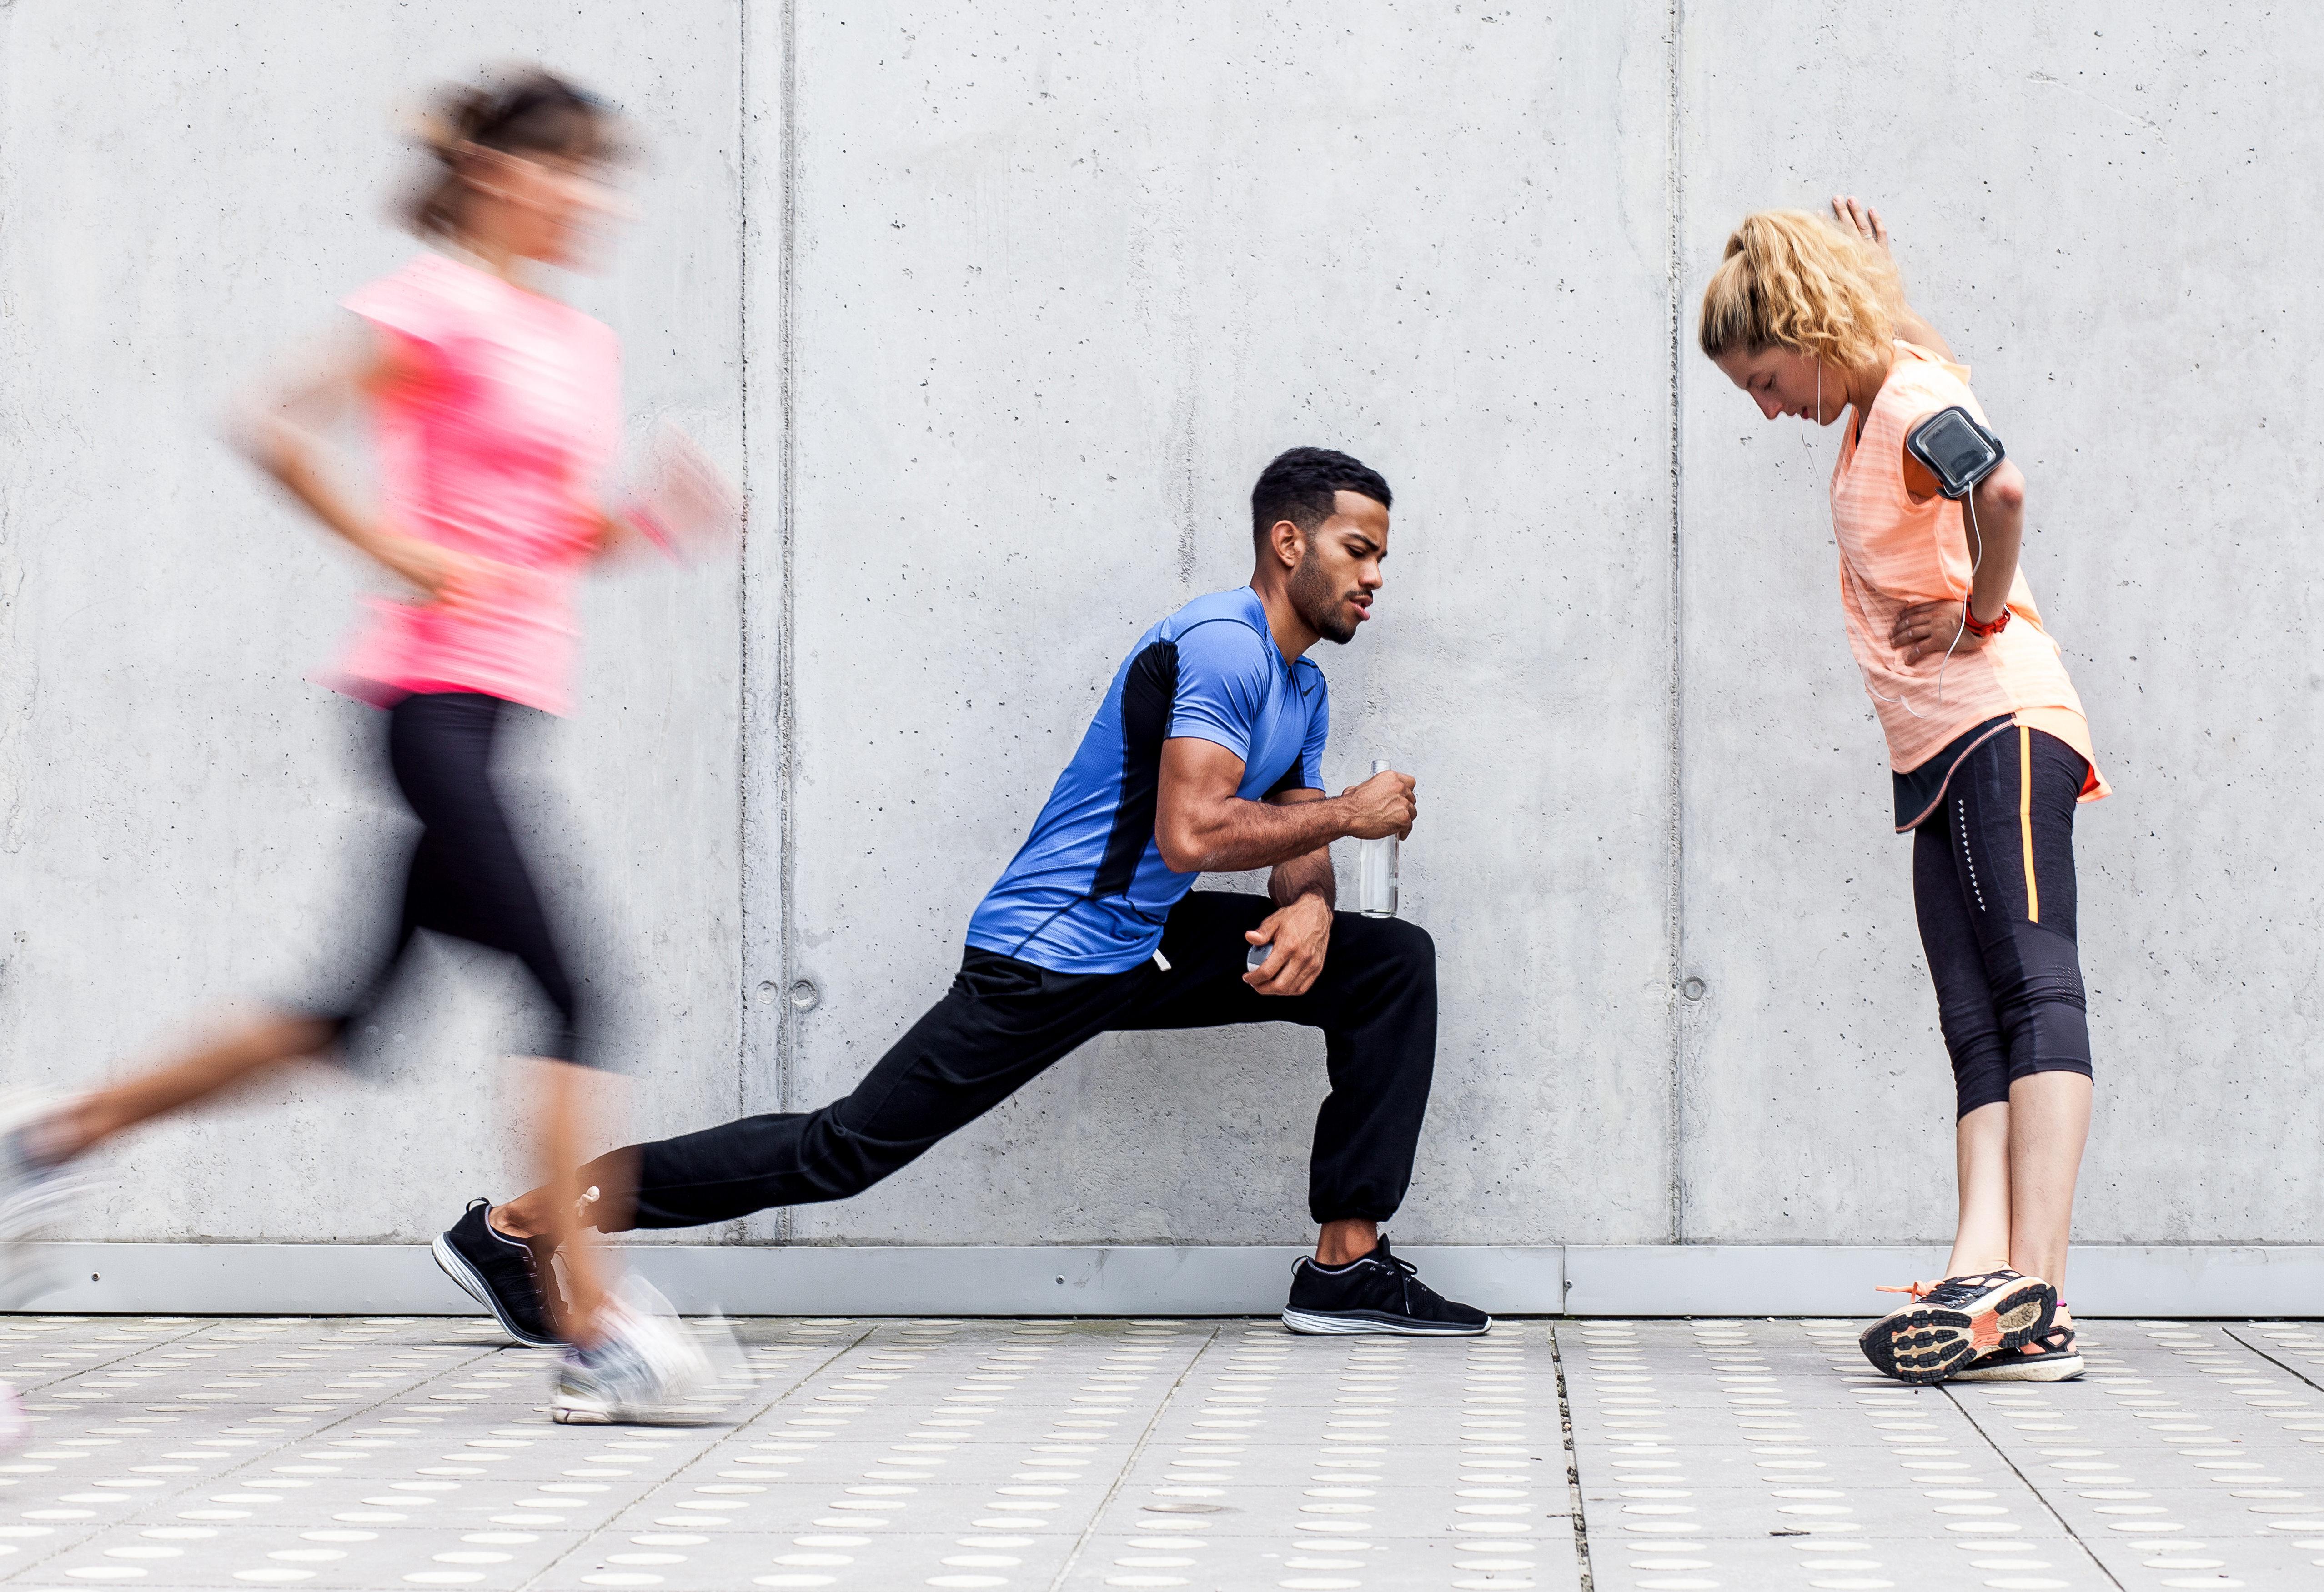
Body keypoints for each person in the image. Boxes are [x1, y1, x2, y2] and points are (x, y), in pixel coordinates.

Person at [0, 70, 735, 1422]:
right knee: (577, 993)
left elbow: (558, 533)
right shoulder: (434, 307)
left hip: (497, 716)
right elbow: (272, 419)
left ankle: (45, 1139)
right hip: (425, 709)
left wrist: (652, 521)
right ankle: (591, 1331)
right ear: (508, 177)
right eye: (573, 173)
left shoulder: (573, 340)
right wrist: (391, 546)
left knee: (340, 1023)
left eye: (602, 179)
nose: (593, 202)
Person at [437, 446, 1491, 1338]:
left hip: (1145, 940)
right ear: (1289, 542)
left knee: (1386, 963)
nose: (1377, 578)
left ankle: (1346, 1265)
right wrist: (1350, 814)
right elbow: (1196, 827)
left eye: (1384, 558)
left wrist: (1310, 899)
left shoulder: (1302, 683)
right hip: (1051, 948)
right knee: (843, 1150)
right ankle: (521, 1225)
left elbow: (1292, 819)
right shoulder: (1223, 644)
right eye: (1362, 550)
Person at [1700, 199, 2107, 1384]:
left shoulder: (1915, 405)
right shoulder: (1885, 390)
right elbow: (1895, 360)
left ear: (1808, 333)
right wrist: (1872, 275)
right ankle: (1983, 1267)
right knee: (1973, 1016)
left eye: (1767, 379)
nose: (1772, 408)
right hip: (1936, 753)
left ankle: (2034, 1292)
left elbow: (2007, 490)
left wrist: (1984, 608)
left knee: (2034, 988)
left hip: (1998, 722)